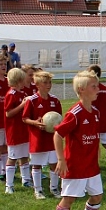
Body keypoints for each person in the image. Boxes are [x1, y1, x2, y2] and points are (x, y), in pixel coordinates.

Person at [49, 70, 104, 210]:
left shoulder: (95, 112)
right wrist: (61, 160)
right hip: (75, 165)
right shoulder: (75, 113)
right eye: (93, 86)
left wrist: (97, 152)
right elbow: (58, 135)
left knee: (97, 196)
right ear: (81, 90)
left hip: (91, 165)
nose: (98, 89)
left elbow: (95, 135)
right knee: (69, 199)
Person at [22, 70, 62, 200]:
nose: (48, 85)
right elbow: (25, 118)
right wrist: (35, 123)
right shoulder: (32, 100)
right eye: (45, 83)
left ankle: (54, 188)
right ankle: (38, 190)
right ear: (37, 84)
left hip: (52, 139)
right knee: (37, 165)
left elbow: (60, 119)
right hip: (37, 138)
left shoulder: (55, 100)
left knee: (54, 164)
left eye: (50, 82)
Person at [4, 67, 32, 194]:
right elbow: (8, 113)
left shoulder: (22, 94)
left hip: (24, 130)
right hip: (14, 131)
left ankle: (26, 180)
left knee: (24, 156)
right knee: (13, 157)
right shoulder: (11, 94)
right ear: (18, 81)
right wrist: (22, 105)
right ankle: (9, 185)